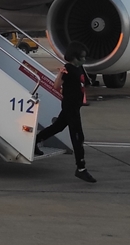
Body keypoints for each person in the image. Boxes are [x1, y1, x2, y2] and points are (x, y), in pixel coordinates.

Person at [35, 41, 96, 182]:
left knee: (58, 127)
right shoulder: (68, 69)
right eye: (82, 57)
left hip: (75, 106)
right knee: (77, 136)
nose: (84, 59)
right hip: (70, 106)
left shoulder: (79, 68)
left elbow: (84, 83)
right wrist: (60, 74)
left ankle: (37, 140)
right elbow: (56, 86)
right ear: (74, 56)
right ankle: (81, 168)